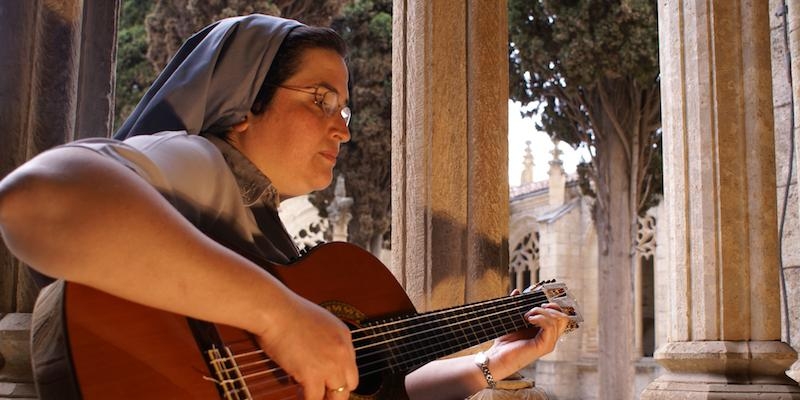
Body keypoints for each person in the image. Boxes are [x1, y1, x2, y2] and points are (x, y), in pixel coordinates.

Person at [0, 14, 570, 400]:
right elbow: (37, 201)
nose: (342, 129)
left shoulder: (260, 222)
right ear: (241, 106)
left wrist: (489, 364)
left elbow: (359, 385)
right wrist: (280, 316)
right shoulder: (197, 161)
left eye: (344, 108)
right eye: (321, 99)